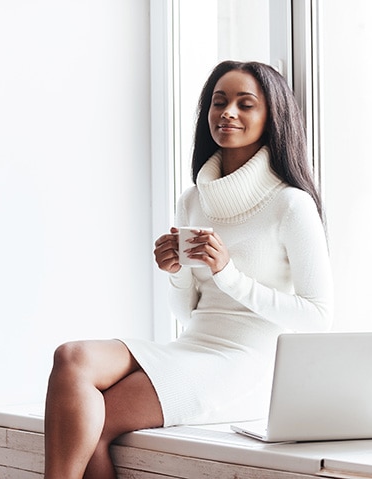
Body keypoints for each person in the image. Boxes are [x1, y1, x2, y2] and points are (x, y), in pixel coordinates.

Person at [43, 60, 333, 479]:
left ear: (272, 118)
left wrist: (229, 273)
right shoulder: (194, 198)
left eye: (244, 104)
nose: (227, 112)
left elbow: (318, 318)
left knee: (96, 427)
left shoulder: (291, 205)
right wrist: (176, 270)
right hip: (193, 347)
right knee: (71, 357)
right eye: (219, 102)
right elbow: (187, 311)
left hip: (247, 363)